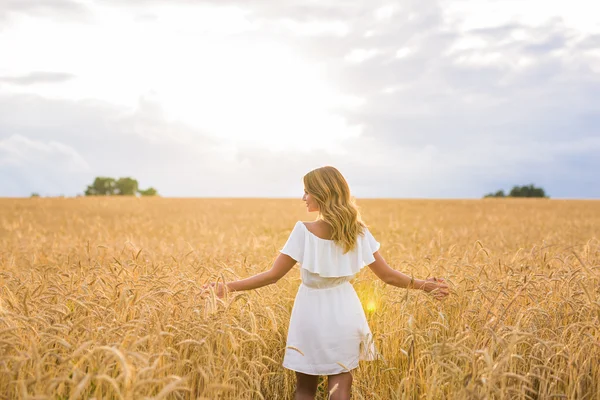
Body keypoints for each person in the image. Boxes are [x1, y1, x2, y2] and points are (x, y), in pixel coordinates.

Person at [203, 166, 450, 400]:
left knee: (305, 389)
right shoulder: (359, 231)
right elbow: (388, 276)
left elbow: (272, 275)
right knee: (341, 387)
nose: (303, 197)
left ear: (322, 193)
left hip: (309, 310)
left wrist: (226, 287)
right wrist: (425, 285)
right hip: (346, 310)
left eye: (307, 191)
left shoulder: (303, 231)